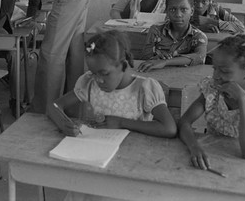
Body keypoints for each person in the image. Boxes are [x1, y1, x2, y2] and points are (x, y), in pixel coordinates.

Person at [49, 31, 176, 201]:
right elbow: (54, 106)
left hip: (132, 168)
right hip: (95, 163)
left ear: (123, 66)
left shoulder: (144, 89)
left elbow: (169, 128)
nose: (98, 80)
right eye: (94, 73)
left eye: (104, 73)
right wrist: (63, 123)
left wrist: (122, 123)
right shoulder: (88, 83)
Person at [179, 35, 245, 169]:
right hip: (211, 159)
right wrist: (194, 147)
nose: (216, 76)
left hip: (243, 168)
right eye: (214, 68)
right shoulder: (212, 89)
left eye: (224, 71)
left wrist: (243, 100)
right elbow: (184, 123)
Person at [138, 0, 207, 72]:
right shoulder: (156, 30)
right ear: (166, 11)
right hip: (157, 75)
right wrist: (156, 57)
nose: (178, 15)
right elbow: (144, 58)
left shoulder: (198, 36)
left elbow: (199, 57)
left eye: (184, 9)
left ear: (192, 11)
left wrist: (166, 62)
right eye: (172, 10)